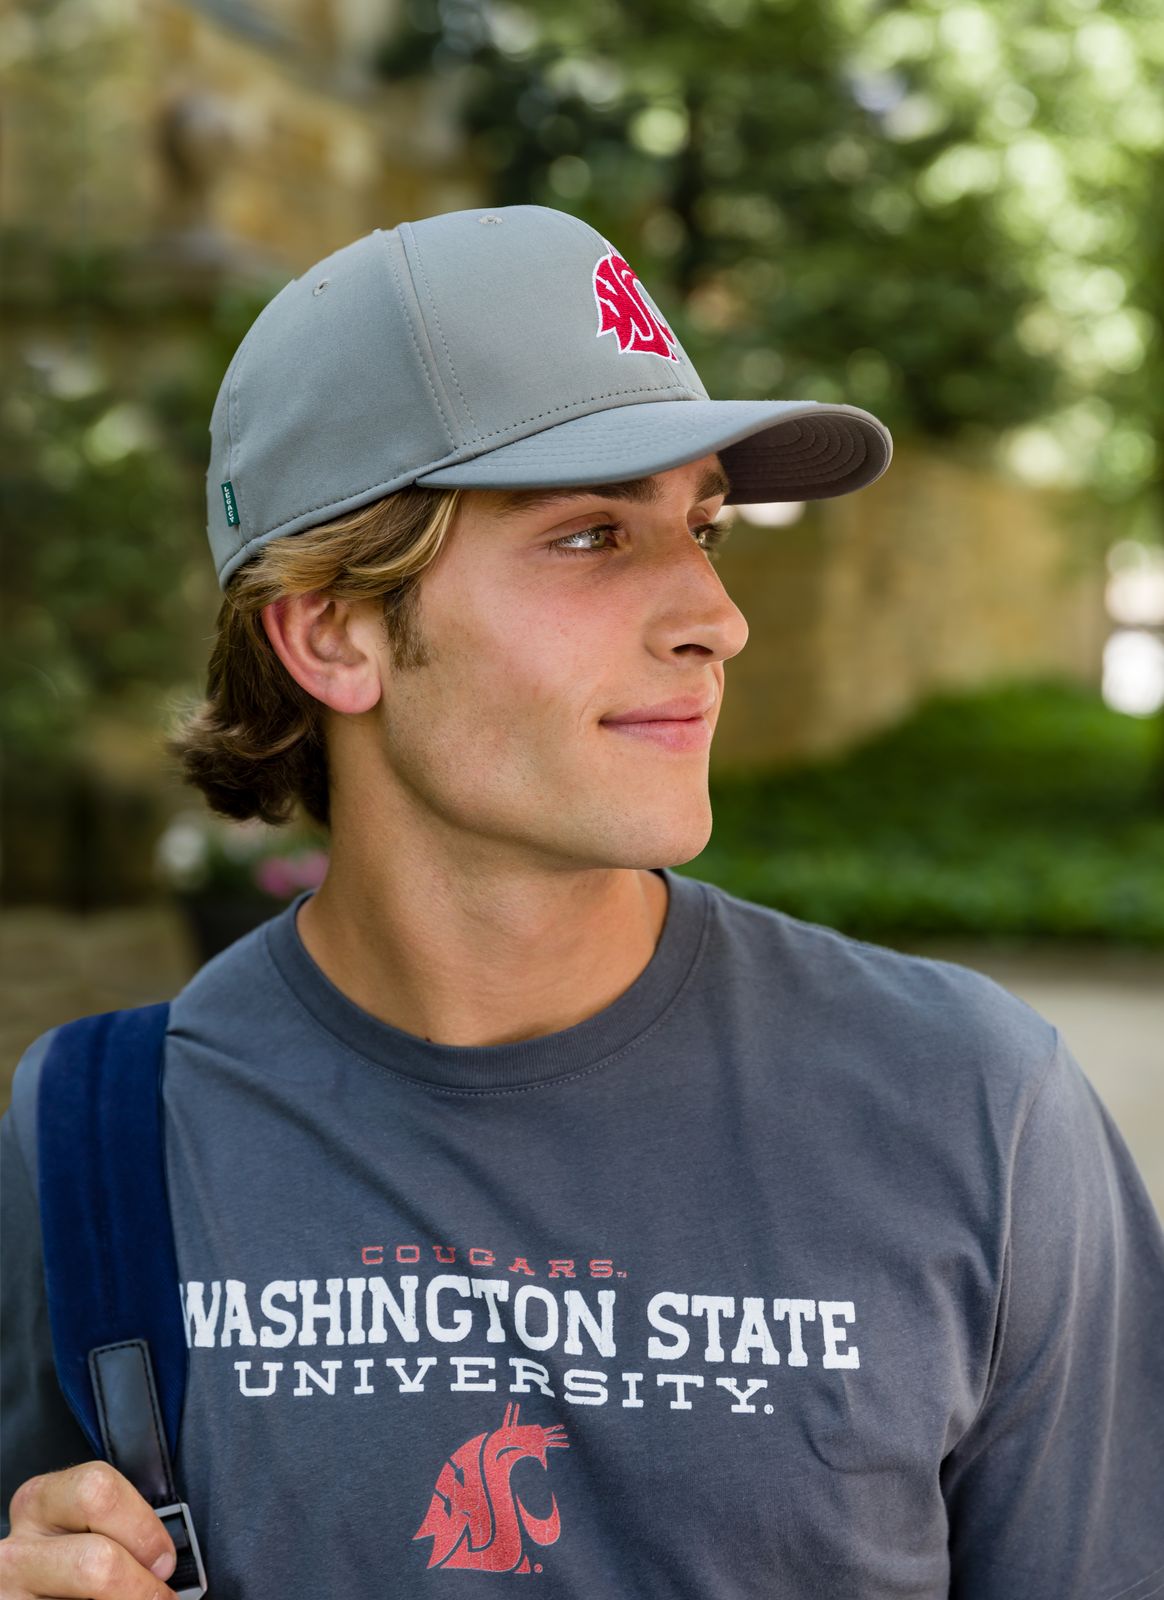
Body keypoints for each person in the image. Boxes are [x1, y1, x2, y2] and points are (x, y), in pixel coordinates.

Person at [1, 204, 1162, 1600]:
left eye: (704, 525)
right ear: (333, 631)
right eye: (593, 535)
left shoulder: (978, 1111)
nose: (717, 618)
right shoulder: (94, 1139)